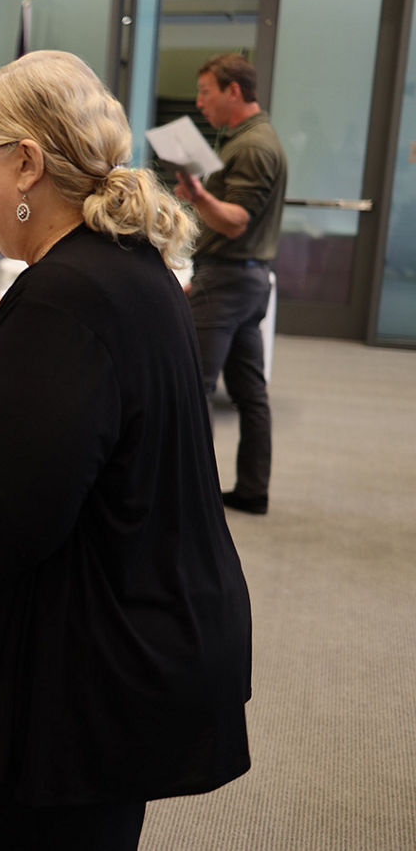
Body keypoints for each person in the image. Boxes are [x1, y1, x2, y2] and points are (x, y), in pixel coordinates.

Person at [0, 51, 253, 850]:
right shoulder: (126, 268)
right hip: (141, 631)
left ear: (28, 163)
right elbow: (84, 412)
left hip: (79, 676)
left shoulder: (64, 296)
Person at [174, 53, 287, 515]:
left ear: (233, 92)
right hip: (245, 281)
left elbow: (237, 221)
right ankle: (251, 490)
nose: (200, 103)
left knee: (194, 387)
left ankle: (192, 498)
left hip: (227, 281)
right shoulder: (248, 140)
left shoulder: (251, 147)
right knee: (248, 393)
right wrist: (201, 198)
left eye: (206, 92)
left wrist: (199, 195)